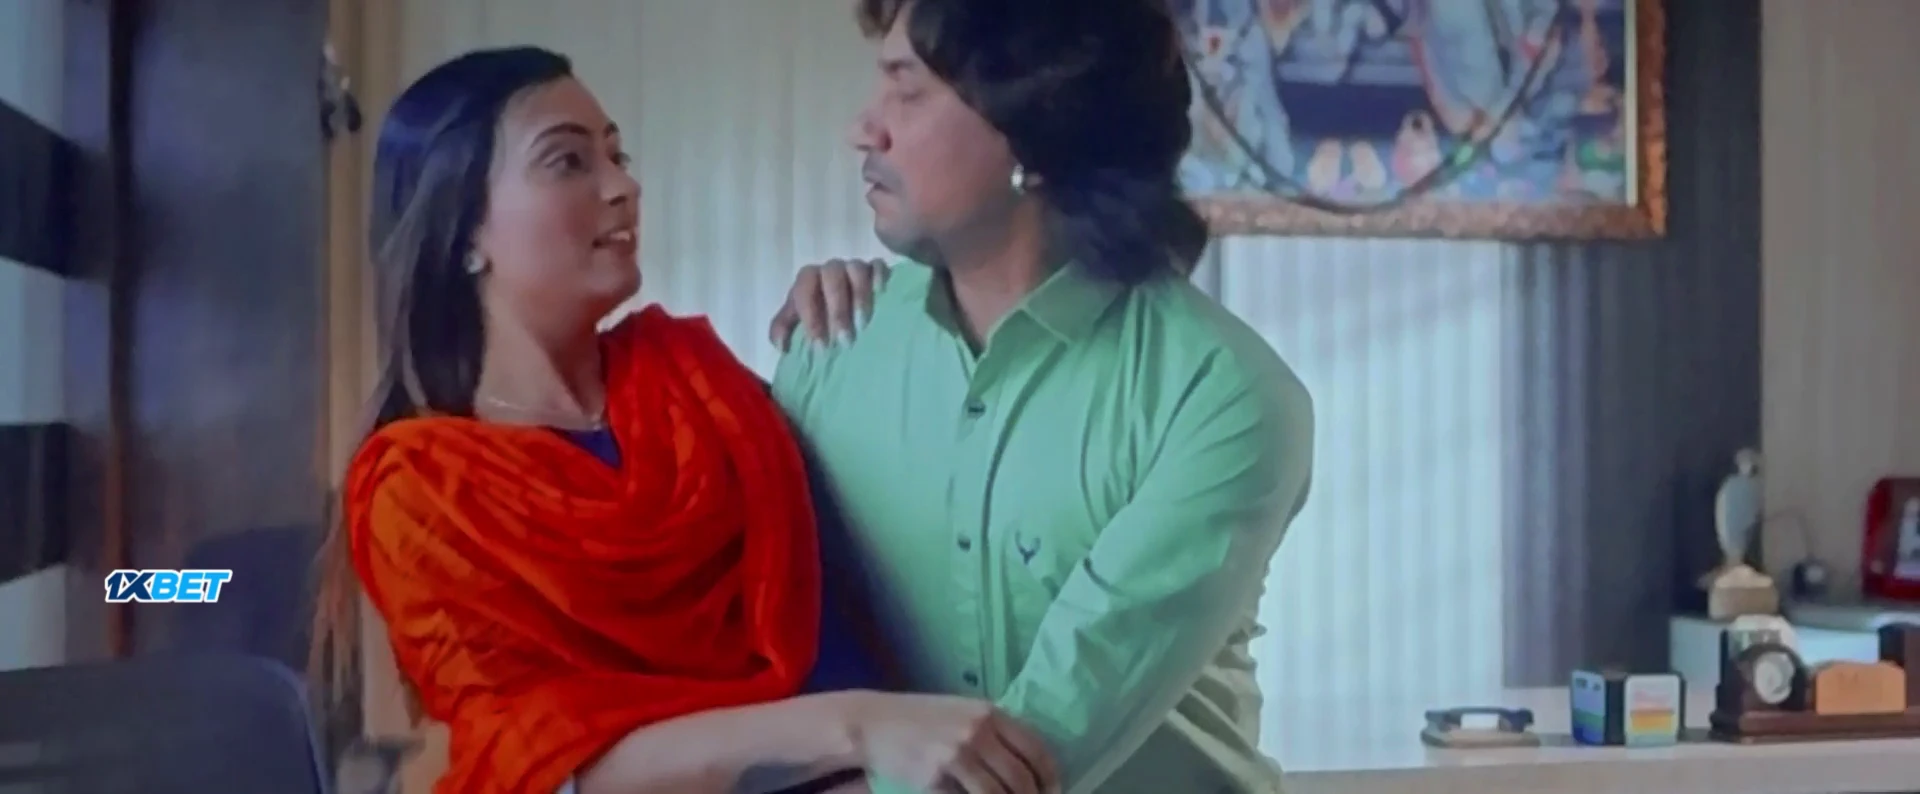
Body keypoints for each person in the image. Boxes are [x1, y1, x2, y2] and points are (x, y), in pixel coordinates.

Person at [309, 46, 1063, 794]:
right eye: (568, 162)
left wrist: (866, 315)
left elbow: (846, 585)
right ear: (465, 229)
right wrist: (859, 724)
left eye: (618, 155)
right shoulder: (422, 487)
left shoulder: (689, 381)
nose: (623, 186)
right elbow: (538, 760)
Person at [769, 1, 1316, 793]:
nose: (864, 129)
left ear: (1034, 128)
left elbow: (1026, 755)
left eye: (907, 91)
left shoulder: (1221, 396)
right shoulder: (830, 349)